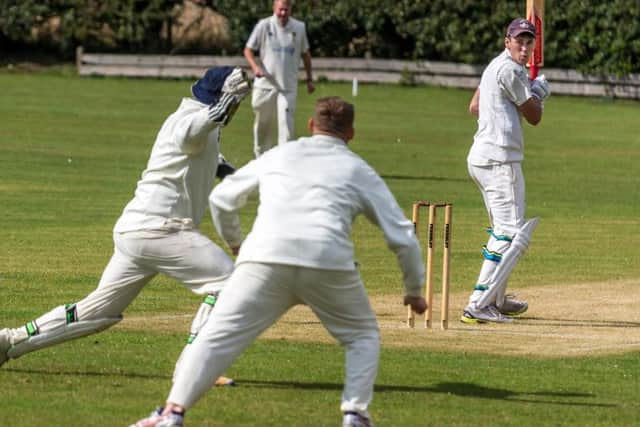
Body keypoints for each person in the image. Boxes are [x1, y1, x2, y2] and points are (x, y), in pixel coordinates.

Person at [129, 96, 427, 427]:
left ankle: (172, 413)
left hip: (264, 258)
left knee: (215, 335)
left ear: (312, 126)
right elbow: (402, 236)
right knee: (362, 337)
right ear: (351, 133)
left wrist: (236, 244)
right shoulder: (358, 169)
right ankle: (354, 414)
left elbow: (223, 198)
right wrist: (413, 290)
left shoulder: (283, 153)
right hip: (327, 262)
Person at [0, 66, 251, 386]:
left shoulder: (197, 125)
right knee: (230, 284)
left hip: (136, 231)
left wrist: (251, 177)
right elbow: (195, 132)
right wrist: (231, 97)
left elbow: (216, 161)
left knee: (95, 313)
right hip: (163, 230)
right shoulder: (189, 121)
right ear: (220, 98)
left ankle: (8, 342)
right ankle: (193, 367)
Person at [461, 18, 551, 324]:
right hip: (500, 160)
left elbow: (474, 106)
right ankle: (479, 303)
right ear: (507, 41)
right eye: (519, 42)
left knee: (502, 230)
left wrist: (524, 90)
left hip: (482, 157)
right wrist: (537, 92)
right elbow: (535, 116)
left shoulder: (494, 66)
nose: (524, 48)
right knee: (510, 233)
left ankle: (496, 297)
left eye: (529, 43)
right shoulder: (511, 70)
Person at [243, 0, 315, 158]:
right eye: (280, 10)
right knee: (263, 124)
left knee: (286, 127)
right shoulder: (264, 25)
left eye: (286, 10)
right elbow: (248, 50)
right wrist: (255, 68)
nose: (283, 13)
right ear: (274, 8)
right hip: (264, 85)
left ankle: (285, 161)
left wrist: (310, 79)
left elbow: (306, 54)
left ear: (291, 9)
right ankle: (261, 159)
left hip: (287, 87)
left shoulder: (299, 27)